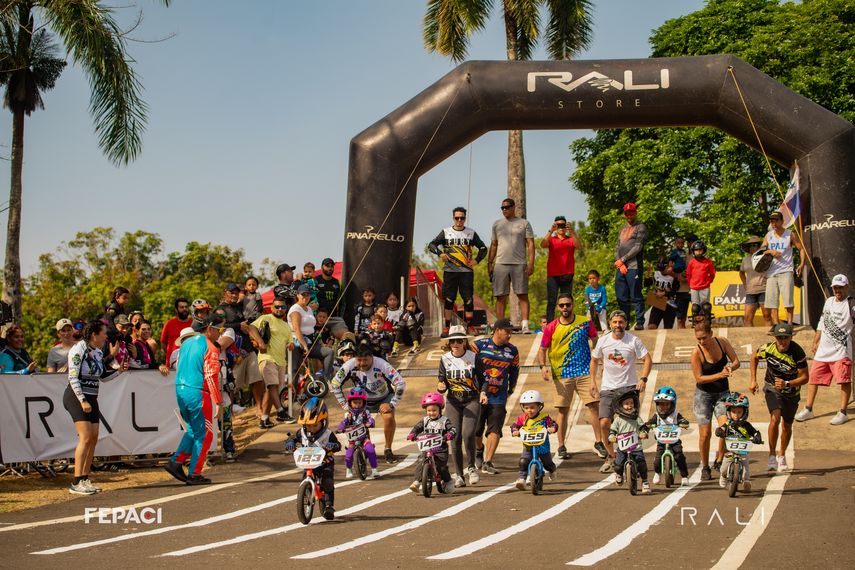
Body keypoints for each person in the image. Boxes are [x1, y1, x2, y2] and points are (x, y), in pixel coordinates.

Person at [537, 293, 604, 460]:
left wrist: (597, 358)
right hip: (562, 374)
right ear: (558, 307)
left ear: (573, 305)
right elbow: (542, 349)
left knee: (594, 406)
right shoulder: (551, 327)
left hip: (584, 372)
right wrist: (543, 366)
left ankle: (599, 442)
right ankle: (560, 446)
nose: (565, 308)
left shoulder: (584, 322)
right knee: (562, 410)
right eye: (561, 305)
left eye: (567, 304)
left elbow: (595, 339)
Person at [64, 320, 126, 494]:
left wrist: (119, 371)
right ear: (94, 335)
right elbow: (73, 377)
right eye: (104, 333)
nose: (106, 337)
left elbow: (103, 377)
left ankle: (85, 478)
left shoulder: (98, 352)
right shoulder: (78, 349)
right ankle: (76, 482)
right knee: (85, 437)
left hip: (92, 397)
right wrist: (82, 400)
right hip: (76, 396)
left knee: (93, 437)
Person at [164, 313, 224, 486]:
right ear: (210, 328)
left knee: (192, 430)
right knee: (205, 434)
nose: (220, 333)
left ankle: (176, 461)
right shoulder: (210, 347)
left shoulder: (186, 344)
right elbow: (212, 377)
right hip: (198, 392)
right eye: (219, 329)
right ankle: (194, 473)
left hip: (181, 390)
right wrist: (218, 402)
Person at [590, 310, 652, 474]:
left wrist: (643, 379)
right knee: (604, 423)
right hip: (608, 388)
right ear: (610, 323)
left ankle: (634, 457)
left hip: (629, 388)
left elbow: (647, 359)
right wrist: (592, 382)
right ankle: (611, 457)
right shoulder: (603, 341)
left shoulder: (633, 340)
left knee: (631, 426)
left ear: (625, 323)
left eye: (621, 322)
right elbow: (594, 360)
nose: (618, 325)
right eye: (615, 322)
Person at [331, 342, 406, 463]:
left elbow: (400, 383)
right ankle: (365, 448)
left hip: (384, 397)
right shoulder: (349, 365)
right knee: (357, 420)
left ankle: (388, 449)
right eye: (359, 360)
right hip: (361, 399)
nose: (362, 364)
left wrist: (392, 404)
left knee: (388, 416)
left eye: (365, 360)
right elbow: (335, 384)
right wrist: (345, 405)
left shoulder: (381, 364)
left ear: (371, 357)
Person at [749, 322, 808, 472]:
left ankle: (781, 455)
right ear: (775, 337)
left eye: (786, 338)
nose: (782, 341)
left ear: (790, 338)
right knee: (775, 418)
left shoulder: (797, 352)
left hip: (791, 392)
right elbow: (754, 356)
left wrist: (787, 383)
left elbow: (805, 377)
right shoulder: (768, 348)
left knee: (787, 425)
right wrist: (753, 379)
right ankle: (771, 456)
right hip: (772, 388)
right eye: (779, 338)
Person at [796, 274, 854, 425]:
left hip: (841, 351)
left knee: (844, 381)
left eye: (841, 287)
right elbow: (822, 322)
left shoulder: (851, 304)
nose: (838, 290)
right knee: (813, 379)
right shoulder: (828, 301)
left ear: (847, 287)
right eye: (835, 287)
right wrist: (815, 341)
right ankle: (808, 409)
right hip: (823, 350)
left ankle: (842, 412)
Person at [691, 323, 741, 480]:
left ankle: (719, 459)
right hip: (703, 395)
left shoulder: (722, 342)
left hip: (722, 393)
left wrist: (730, 368)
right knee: (705, 434)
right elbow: (699, 378)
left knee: (725, 427)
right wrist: (719, 375)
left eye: (704, 338)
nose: (702, 341)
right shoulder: (696, 352)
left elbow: (736, 361)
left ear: (711, 333)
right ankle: (705, 466)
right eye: (698, 339)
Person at [428, 206, 488, 332]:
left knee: (468, 299)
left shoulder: (471, 233)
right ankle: (447, 327)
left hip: (466, 271)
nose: (459, 220)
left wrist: (476, 260)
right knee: (449, 299)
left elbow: (483, 248)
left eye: (462, 218)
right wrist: (440, 253)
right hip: (450, 270)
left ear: (465, 218)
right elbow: (431, 245)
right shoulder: (446, 232)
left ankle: (470, 326)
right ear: (453, 218)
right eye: (457, 218)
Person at [437, 325, 480, 487]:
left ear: (464, 342)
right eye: (452, 341)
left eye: (458, 340)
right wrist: (441, 386)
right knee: (454, 437)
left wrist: (483, 392)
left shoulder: (473, 357)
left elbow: (482, 379)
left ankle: (471, 468)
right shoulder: (445, 359)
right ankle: (460, 475)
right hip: (453, 400)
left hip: (472, 399)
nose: (455, 343)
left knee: (468, 434)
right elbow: (441, 379)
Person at [283, 397, 341, 520]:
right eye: (308, 426)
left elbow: (338, 445)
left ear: (323, 422)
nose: (311, 429)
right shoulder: (303, 433)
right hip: (309, 462)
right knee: (305, 477)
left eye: (314, 425)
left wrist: (333, 446)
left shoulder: (328, 434)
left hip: (325, 462)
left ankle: (329, 505)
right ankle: (305, 494)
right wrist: (290, 442)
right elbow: (292, 437)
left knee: (327, 481)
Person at [474, 318, 519, 474]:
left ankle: (488, 461)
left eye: (511, 332)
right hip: (479, 395)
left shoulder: (513, 351)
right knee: (476, 429)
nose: (510, 335)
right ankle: (479, 450)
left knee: (495, 429)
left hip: (499, 397)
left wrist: (511, 389)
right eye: (507, 331)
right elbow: (469, 365)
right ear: (497, 330)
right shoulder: (479, 345)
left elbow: (514, 371)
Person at [217, 283, 265, 421]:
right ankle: (230, 415)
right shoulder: (220, 309)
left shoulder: (239, 307)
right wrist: (239, 325)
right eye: (231, 292)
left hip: (248, 348)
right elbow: (218, 326)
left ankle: (259, 408)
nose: (234, 295)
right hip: (233, 353)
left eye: (236, 293)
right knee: (232, 385)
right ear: (225, 292)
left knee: (257, 379)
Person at [488, 198, 535, 332]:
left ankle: (525, 324)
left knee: (522, 294)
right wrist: (489, 263)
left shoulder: (524, 223)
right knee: (500, 296)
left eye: (507, 207)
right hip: (500, 263)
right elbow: (494, 244)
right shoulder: (497, 224)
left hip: (519, 263)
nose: (505, 210)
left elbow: (531, 244)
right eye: (502, 208)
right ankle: (500, 325)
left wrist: (531, 263)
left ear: (514, 207)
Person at [253, 294, 296, 426]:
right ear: (272, 307)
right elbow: (251, 327)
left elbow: (290, 343)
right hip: (267, 358)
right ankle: (280, 412)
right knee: (272, 386)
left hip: (281, 361)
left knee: (273, 391)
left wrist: (291, 345)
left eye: (282, 307)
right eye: (277, 306)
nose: (280, 309)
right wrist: (260, 341)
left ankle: (264, 419)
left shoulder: (287, 326)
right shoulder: (265, 318)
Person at [407, 391, 457, 494]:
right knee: (421, 461)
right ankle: (416, 482)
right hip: (427, 447)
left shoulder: (444, 420)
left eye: (434, 410)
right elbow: (417, 428)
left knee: (441, 466)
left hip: (440, 448)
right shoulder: (425, 420)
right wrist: (412, 434)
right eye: (429, 410)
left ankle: (448, 481)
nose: (431, 413)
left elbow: (452, 429)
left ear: (440, 409)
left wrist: (449, 434)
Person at [762, 210, 806, 325]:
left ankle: (790, 325)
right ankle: (776, 325)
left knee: (788, 301)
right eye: (772, 221)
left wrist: (801, 264)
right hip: (771, 272)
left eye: (776, 221)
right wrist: (771, 251)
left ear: (782, 221)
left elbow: (801, 248)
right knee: (772, 302)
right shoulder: (769, 235)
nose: (774, 224)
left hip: (786, 270)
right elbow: (761, 251)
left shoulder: (789, 234)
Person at [510, 389, 558, 490]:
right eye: (526, 408)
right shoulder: (522, 418)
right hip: (528, 446)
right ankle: (522, 480)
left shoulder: (544, 417)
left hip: (542, 446)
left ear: (539, 407)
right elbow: (515, 425)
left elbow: (553, 423)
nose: (529, 410)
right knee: (523, 461)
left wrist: (552, 428)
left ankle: (552, 470)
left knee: (548, 463)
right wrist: (515, 431)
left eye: (532, 407)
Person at [714, 393, 763, 491]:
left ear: (745, 412)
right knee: (723, 469)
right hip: (729, 452)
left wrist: (757, 437)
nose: (736, 415)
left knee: (746, 467)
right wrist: (719, 431)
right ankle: (723, 476)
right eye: (734, 412)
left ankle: (747, 481)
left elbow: (755, 432)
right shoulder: (728, 424)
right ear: (729, 412)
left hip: (742, 451)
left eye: (739, 412)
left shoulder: (747, 425)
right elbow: (721, 428)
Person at [643, 386, 690, 486]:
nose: (664, 407)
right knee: (657, 459)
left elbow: (683, 420)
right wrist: (646, 428)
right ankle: (657, 473)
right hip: (661, 441)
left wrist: (683, 423)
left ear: (672, 404)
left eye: (666, 404)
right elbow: (650, 422)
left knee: (679, 456)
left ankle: (684, 476)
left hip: (674, 441)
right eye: (661, 404)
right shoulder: (657, 415)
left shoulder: (676, 415)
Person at [289, 284, 334, 383]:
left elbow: (311, 327)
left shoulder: (309, 309)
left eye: (308, 294)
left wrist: (319, 341)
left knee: (329, 352)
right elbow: (296, 329)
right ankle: (292, 395)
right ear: (298, 295)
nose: (305, 297)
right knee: (295, 369)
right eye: (303, 294)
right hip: (297, 342)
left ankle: (326, 381)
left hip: (310, 341)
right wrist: (304, 345)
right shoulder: (295, 309)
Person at [608, 390, 651, 493]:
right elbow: (612, 430)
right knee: (618, 464)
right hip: (623, 447)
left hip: (636, 447)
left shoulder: (637, 418)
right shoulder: (618, 419)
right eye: (626, 404)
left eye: (631, 403)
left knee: (641, 464)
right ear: (620, 406)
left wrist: (643, 433)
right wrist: (612, 436)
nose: (630, 405)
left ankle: (645, 482)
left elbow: (643, 427)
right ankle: (619, 474)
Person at [614, 202, 647, 330]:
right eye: (627, 212)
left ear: (635, 212)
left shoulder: (641, 227)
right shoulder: (622, 228)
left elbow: (638, 247)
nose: (629, 215)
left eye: (632, 212)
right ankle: (624, 322)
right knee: (621, 296)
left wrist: (623, 259)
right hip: (621, 267)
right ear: (624, 214)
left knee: (635, 295)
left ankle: (639, 322)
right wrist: (619, 262)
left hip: (634, 266)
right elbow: (617, 247)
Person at [337, 387, 380, 480]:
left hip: (364, 438)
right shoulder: (348, 415)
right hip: (352, 440)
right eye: (355, 403)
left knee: (370, 450)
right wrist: (340, 428)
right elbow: (343, 422)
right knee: (348, 455)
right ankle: (349, 469)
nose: (357, 405)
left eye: (359, 403)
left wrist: (370, 423)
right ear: (350, 403)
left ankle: (374, 469)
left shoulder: (366, 413)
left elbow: (370, 419)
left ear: (363, 403)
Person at [541, 215, 578, 322]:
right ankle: (550, 325)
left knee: (567, 302)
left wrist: (572, 231)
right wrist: (550, 230)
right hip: (553, 274)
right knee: (552, 301)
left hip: (567, 273)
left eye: (563, 225)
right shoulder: (552, 239)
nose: (561, 227)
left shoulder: (571, 239)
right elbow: (542, 244)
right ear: (555, 226)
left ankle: (568, 322)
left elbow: (579, 245)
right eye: (558, 225)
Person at [739, 236, 773, 327]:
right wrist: (745, 284)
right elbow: (741, 273)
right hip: (750, 291)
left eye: (756, 245)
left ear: (759, 247)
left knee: (767, 316)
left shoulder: (766, 257)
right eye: (751, 245)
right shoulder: (745, 259)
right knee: (747, 319)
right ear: (748, 248)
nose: (753, 247)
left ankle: (770, 338)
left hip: (764, 290)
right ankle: (749, 339)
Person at [647, 257, 679, 330]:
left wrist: (664, 293)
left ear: (668, 266)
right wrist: (648, 272)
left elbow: (675, 289)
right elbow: (647, 283)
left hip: (669, 304)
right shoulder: (655, 274)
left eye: (663, 269)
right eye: (660, 269)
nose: (661, 271)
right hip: (658, 302)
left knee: (667, 329)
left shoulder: (673, 277)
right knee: (651, 327)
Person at [669, 236, 691, 328]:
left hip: (687, 281)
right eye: (679, 243)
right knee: (680, 316)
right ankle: (671, 298)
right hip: (677, 273)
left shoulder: (684, 253)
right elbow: (670, 264)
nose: (680, 245)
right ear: (675, 243)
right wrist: (674, 272)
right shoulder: (674, 252)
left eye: (682, 243)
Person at [686, 240, 716, 306]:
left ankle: (706, 316)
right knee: (695, 307)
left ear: (703, 251)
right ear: (693, 251)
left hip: (705, 287)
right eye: (696, 250)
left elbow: (712, 274)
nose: (698, 252)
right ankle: (696, 316)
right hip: (694, 288)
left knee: (706, 307)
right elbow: (688, 275)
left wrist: (708, 282)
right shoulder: (691, 262)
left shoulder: (708, 262)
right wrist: (691, 284)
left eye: (700, 250)